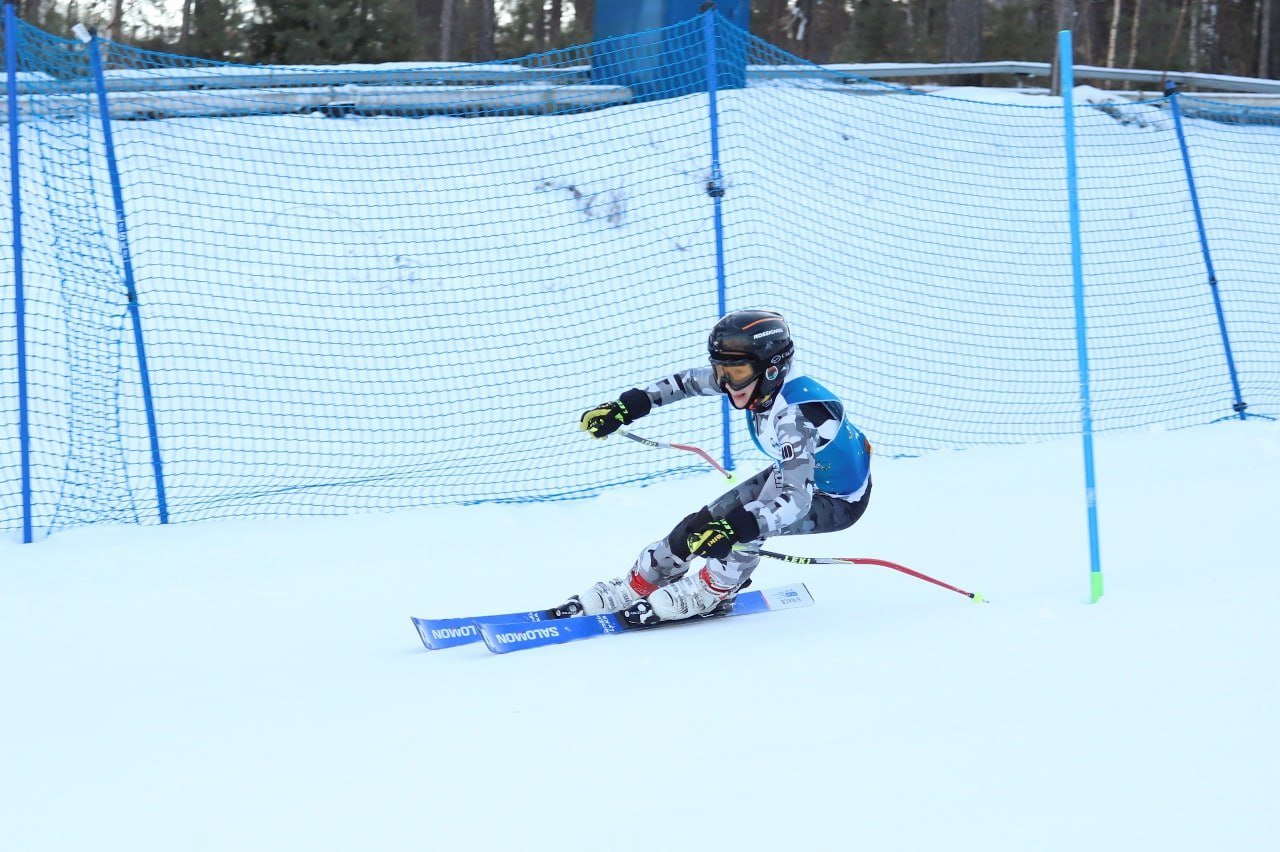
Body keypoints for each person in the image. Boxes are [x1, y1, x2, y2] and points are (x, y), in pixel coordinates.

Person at [570, 309, 872, 625]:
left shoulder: (794, 419)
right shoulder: (750, 381)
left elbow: (797, 501)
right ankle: (640, 584)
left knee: (744, 523)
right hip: (795, 474)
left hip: (837, 500)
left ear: (771, 369)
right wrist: (625, 408)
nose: (727, 383)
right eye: (721, 372)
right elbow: (685, 383)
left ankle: (714, 590)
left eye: (736, 372)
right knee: (701, 524)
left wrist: (736, 528)